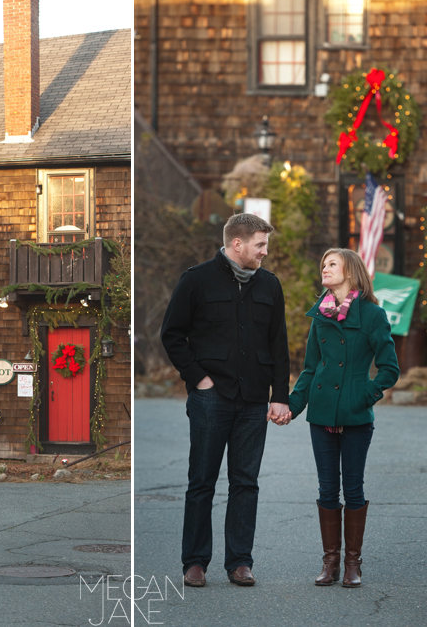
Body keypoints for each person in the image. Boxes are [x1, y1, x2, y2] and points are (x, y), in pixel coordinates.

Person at [161, 213, 290, 588]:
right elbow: (172, 335)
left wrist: (279, 396)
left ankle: (240, 562)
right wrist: (198, 378)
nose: (265, 252)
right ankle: (195, 562)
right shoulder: (196, 280)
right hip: (211, 399)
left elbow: (278, 345)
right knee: (201, 481)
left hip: (253, 400)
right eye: (260, 245)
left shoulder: (270, 285)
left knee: (245, 482)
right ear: (238, 244)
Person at [283, 248, 400, 588]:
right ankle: (330, 561)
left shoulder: (372, 315)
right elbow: (309, 369)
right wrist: (292, 406)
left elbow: (390, 369)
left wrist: (364, 395)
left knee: (354, 486)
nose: (325, 268)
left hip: (356, 416)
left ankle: (353, 563)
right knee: (327, 488)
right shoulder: (320, 315)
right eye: (323, 264)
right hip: (320, 414)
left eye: (332, 264)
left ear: (351, 270)